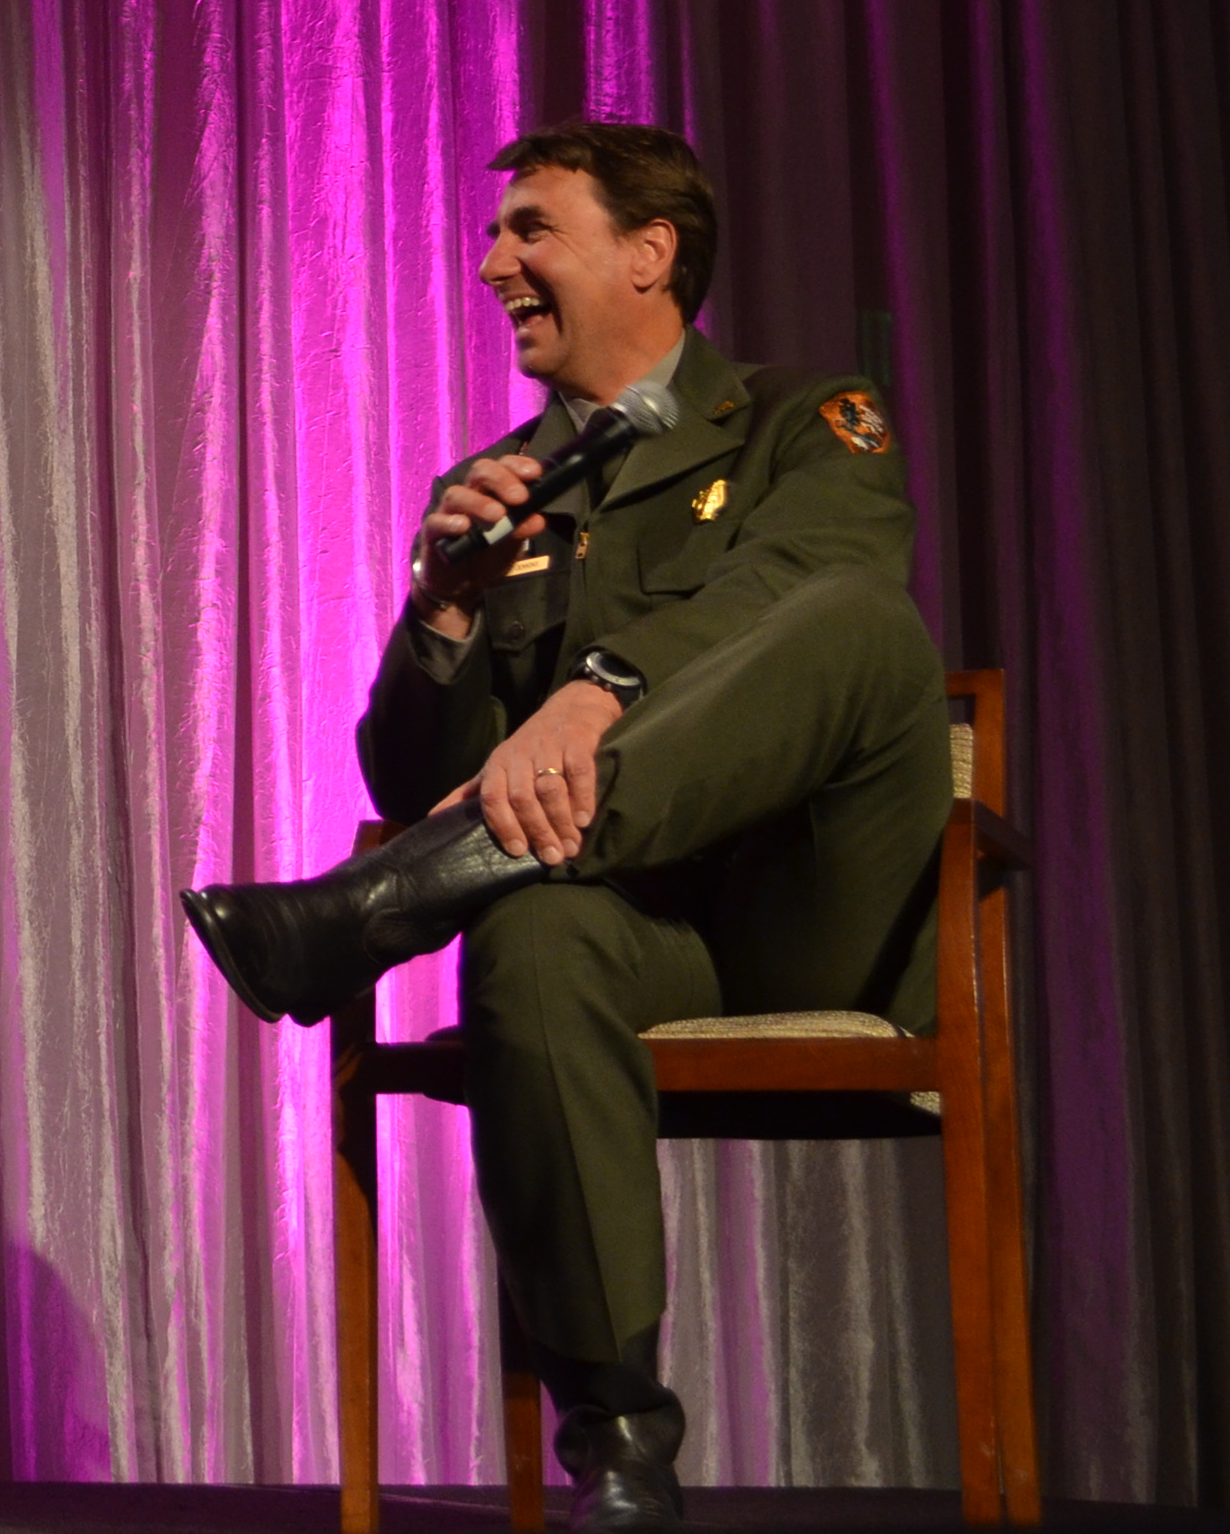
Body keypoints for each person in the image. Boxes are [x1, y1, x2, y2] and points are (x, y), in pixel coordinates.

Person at [180, 122, 947, 1533]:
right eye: (495, 235)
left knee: (856, 613)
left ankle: (373, 913)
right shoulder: (503, 485)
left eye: (530, 229)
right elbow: (415, 773)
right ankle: (621, 1440)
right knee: (530, 940)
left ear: (650, 254)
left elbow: (814, 581)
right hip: (636, 923)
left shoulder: (804, 417)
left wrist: (599, 692)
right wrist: (443, 609)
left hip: (809, 908)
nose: (492, 264)